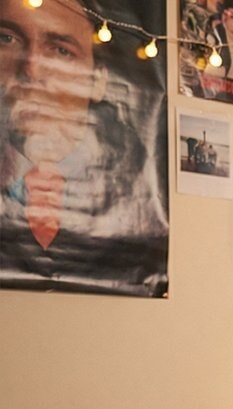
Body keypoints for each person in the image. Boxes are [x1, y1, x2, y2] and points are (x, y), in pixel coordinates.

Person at [0, 0, 167, 296]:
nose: (33, 69)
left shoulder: (137, 192)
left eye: (61, 50)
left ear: (98, 81)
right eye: (7, 39)